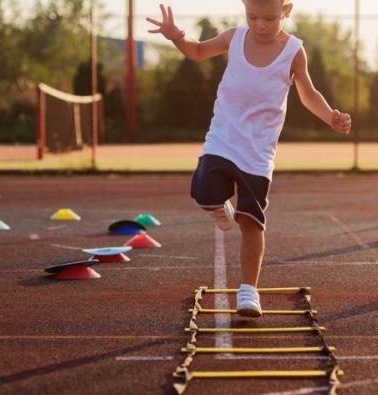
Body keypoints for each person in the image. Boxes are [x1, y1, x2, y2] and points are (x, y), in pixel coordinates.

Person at [148, 0, 351, 317]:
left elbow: (308, 93)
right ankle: (219, 208)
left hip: (258, 151)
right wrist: (177, 36)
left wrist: (331, 117)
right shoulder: (234, 37)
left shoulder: (293, 51)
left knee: (251, 221)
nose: (260, 25)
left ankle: (248, 291)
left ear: (286, 11)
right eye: (252, 17)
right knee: (202, 191)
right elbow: (198, 51)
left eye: (269, 18)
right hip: (223, 138)